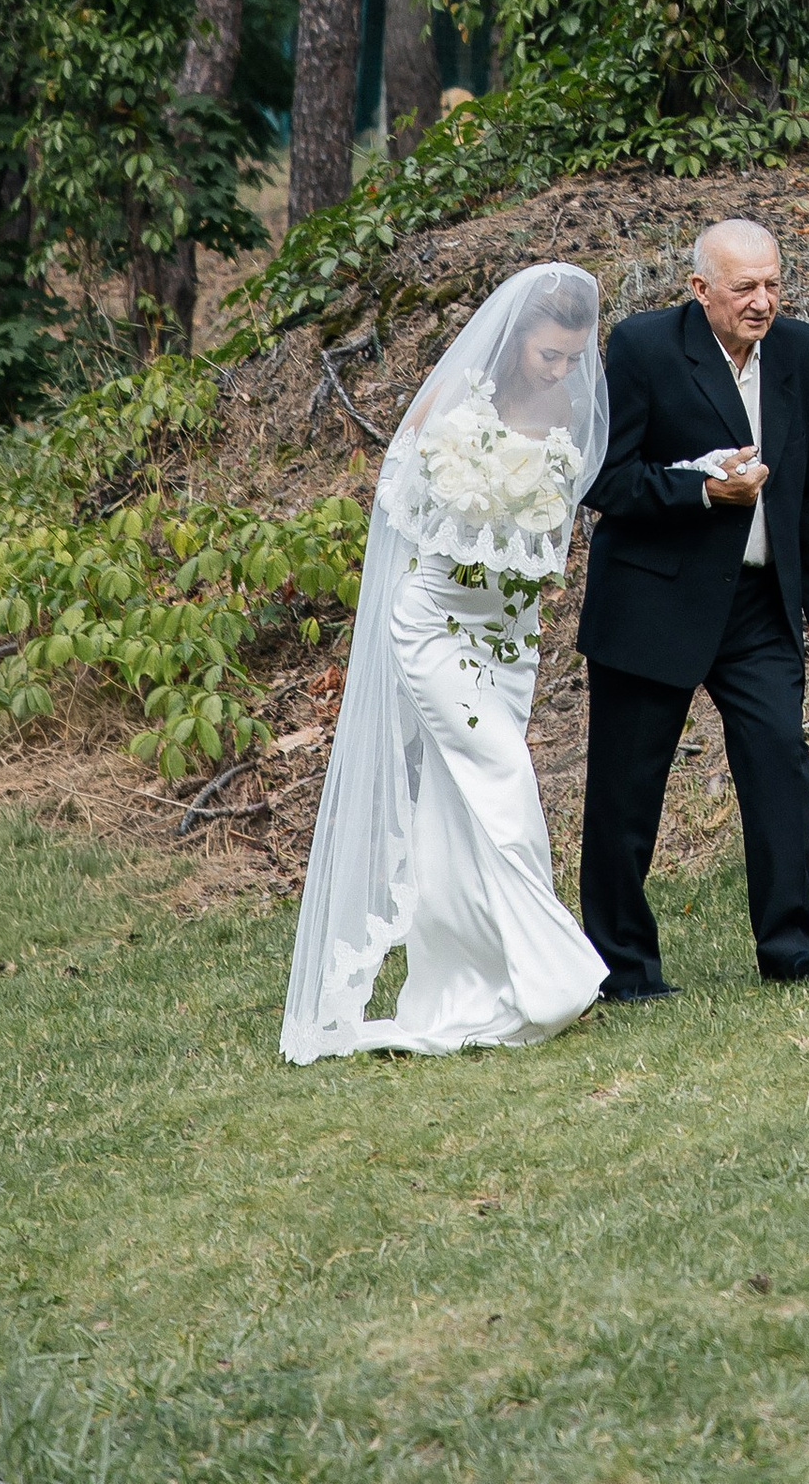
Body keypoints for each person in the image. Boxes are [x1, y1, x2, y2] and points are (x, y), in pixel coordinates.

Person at [281, 264, 609, 1062]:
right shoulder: (458, 401)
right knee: (503, 777)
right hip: (436, 626)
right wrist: (475, 506)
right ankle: (559, 975)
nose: (562, 372)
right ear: (515, 342)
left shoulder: (569, 404)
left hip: (510, 632)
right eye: (548, 357)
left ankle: (470, 978)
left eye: (572, 358)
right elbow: (399, 505)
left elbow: (554, 523)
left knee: (456, 813)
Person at [577, 215, 809, 993]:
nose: (763, 302)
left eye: (773, 285)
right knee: (626, 795)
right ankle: (624, 968)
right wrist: (700, 488)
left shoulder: (802, 352)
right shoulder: (642, 347)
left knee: (778, 769)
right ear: (700, 290)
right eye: (745, 289)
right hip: (652, 602)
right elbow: (606, 481)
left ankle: (793, 951)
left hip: (762, 607)